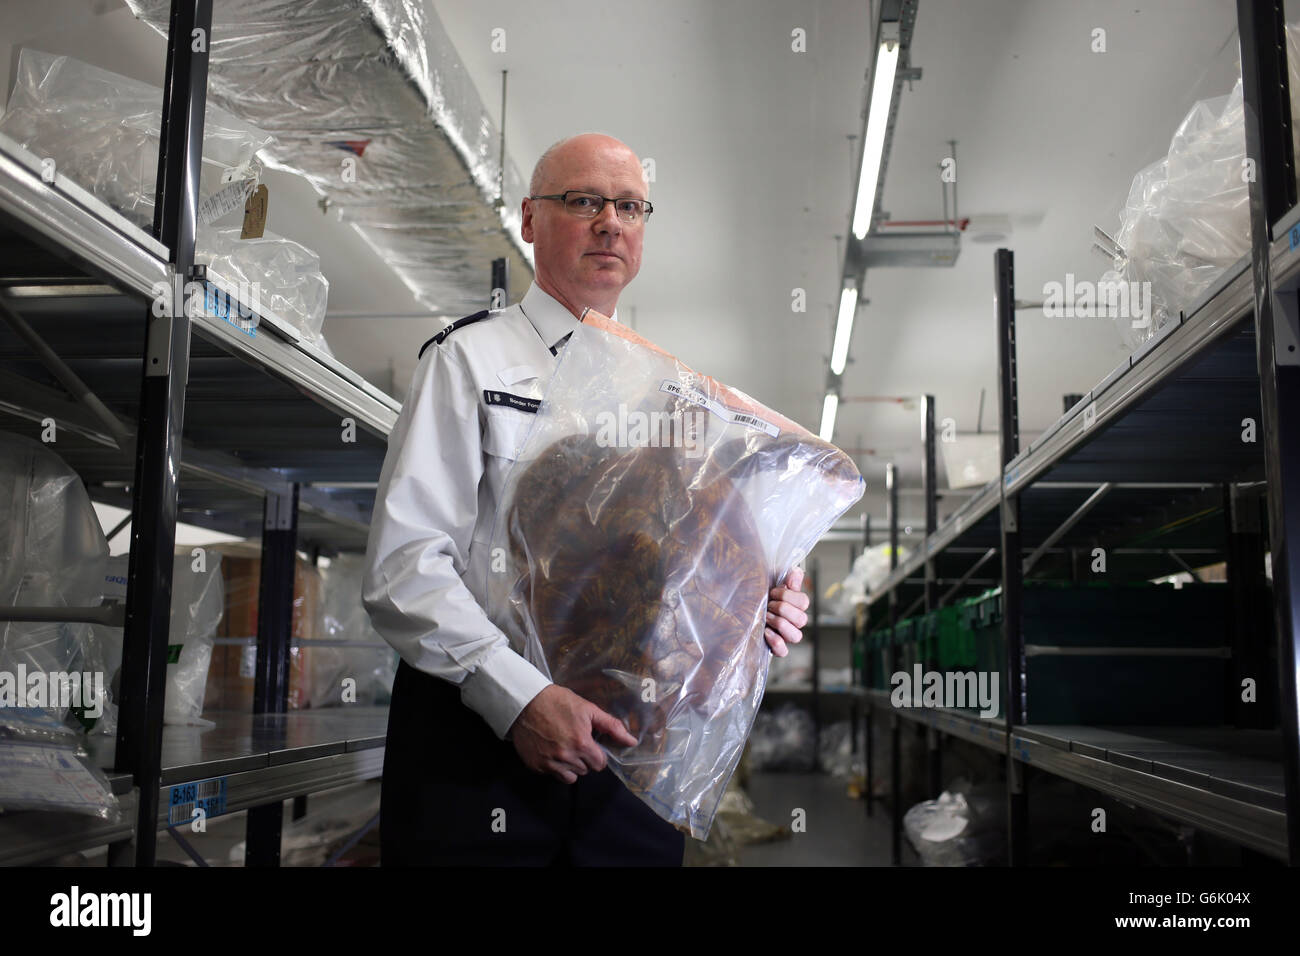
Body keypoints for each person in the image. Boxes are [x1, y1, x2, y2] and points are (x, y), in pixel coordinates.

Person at [363, 132, 810, 866]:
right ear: (531, 220)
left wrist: (750, 604)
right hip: (479, 739)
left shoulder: (675, 401)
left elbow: (680, 579)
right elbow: (404, 566)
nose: (611, 221)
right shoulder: (468, 360)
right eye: (584, 201)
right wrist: (518, 699)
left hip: (629, 764)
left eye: (630, 206)